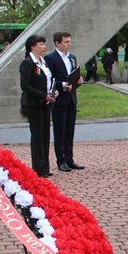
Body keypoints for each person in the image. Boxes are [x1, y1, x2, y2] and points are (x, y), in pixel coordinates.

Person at [45, 31, 84, 172]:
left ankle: (69, 159)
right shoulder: (50, 58)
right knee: (60, 131)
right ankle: (60, 160)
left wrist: (78, 80)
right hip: (59, 99)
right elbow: (49, 79)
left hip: (72, 98)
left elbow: (74, 75)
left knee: (69, 131)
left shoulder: (72, 58)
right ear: (57, 43)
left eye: (70, 41)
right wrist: (62, 85)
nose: (69, 44)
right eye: (66, 42)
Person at [19, 35, 57, 177]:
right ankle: (38, 169)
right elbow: (25, 85)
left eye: (44, 44)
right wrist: (42, 95)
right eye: (41, 44)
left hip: (46, 103)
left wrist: (53, 91)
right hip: (34, 104)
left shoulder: (43, 62)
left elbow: (48, 80)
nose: (44, 47)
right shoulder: (27, 63)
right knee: (37, 136)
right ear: (32, 46)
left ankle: (45, 167)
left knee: (45, 135)